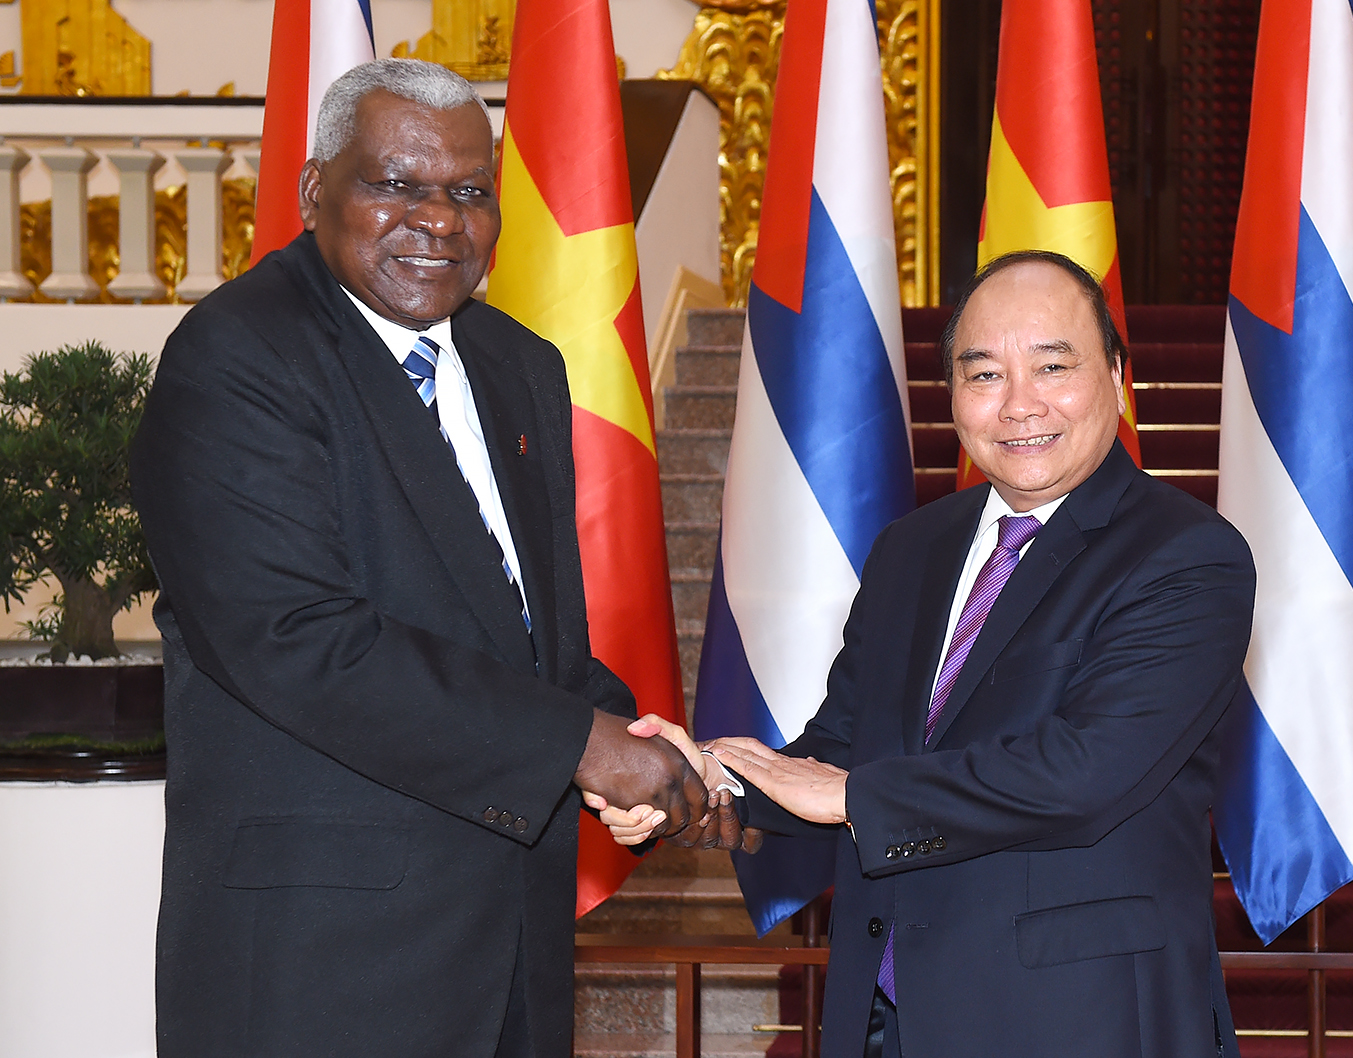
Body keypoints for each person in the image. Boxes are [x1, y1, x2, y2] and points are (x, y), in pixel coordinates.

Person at [131, 58, 707, 1058]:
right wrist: (581, 745)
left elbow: (528, 641)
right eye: (395, 184)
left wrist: (654, 746)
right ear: (315, 189)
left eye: (470, 192)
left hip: (510, 957)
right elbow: (300, 642)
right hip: (322, 973)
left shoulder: (519, 365)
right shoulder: (238, 358)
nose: (439, 220)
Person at [601, 250, 1255, 1058]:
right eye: (984, 375)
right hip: (884, 1016)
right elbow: (845, 745)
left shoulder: (1187, 554)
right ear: (951, 393)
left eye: (1052, 367)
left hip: (1079, 1020)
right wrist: (699, 779)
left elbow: (1084, 774)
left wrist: (853, 797)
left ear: (1118, 378)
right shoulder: (912, 547)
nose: (1019, 404)